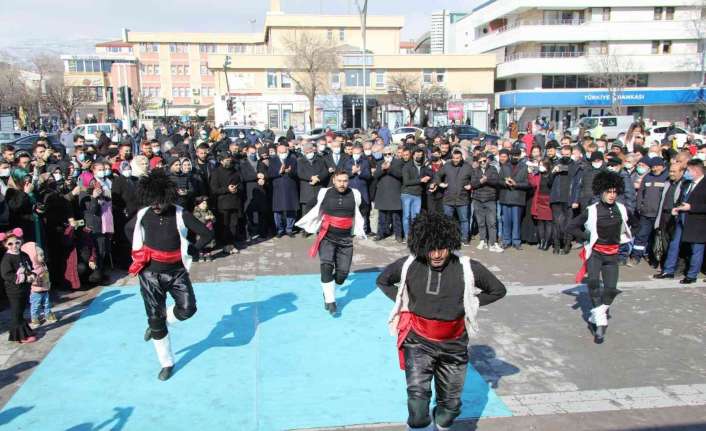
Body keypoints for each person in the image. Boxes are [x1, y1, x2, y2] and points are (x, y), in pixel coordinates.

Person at [376, 211, 506, 430]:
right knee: (417, 412)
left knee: (450, 410)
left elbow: (497, 290)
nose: (436, 254)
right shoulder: (410, 264)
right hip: (417, 343)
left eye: (442, 248)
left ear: (450, 244)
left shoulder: (467, 267)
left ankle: (440, 419)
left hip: (454, 346)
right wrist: (405, 303)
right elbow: (383, 280)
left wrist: (470, 303)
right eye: (430, 249)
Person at [126, 170, 214, 380]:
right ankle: (166, 362)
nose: (156, 206)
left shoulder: (180, 214)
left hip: (176, 272)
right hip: (149, 275)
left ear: (168, 197)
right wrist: (140, 249)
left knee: (188, 309)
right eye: (152, 201)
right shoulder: (143, 214)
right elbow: (129, 230)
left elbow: (207, 233)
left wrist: (195, 248)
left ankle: (162, 321)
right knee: (154, 319)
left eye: (160, 201)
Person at [568, 171, 632, 344]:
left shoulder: (622, 209)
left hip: (613, 256)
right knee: (594, 286)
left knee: (611, 289)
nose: (612, 195)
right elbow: (571, 227)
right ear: (601, 192)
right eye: (608, 192)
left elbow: (636, 225)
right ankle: (600, 324)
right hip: (596, 254)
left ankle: (597, 314)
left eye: (614, 192)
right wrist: (586, 237)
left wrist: (626, 239)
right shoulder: (592, 210)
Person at [295, 170, 366, 316]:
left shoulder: (355, 194)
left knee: (342, 275)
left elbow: (364, 208)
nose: (342, 184)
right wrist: (315, 224)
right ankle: (330, 298)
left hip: (346, 239)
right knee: (326, 266)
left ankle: (329, 286)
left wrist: (357, 225)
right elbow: (310, 206)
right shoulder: (324, 193)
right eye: (339, 181)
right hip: (327, 235)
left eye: (345, 181)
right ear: (334, 180)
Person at [670, 159, 706, 284]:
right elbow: (683, 199)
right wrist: (678, 208)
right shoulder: (688, 183)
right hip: (684, 218)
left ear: (696, 171)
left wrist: (691, 208)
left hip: (699, 222)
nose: (687, 173)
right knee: (681, 246)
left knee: (697, 249)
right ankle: (670, 270)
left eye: (689, 170)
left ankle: (692, 275)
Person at [0, 228, 37, 343]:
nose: (14, 246)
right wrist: (23, 277)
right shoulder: (7, 258)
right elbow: (6, 274)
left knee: (20, 311)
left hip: (24, 288)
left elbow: (29, 267)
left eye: (17, 242)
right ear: (5, 245)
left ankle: (23, 332)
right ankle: (19, 336)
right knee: (16, 312)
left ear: (21, 241)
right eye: (10, 244)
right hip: (13, 290)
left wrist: (32, 275)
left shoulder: (23, 254)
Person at [21, 241, 56, 326]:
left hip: (45, 289)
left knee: (47, 304)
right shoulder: (31, 269)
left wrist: (48, 283)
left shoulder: (43, 265)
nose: (43, 256)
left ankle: (48, 315)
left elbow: (47, 275)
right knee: (35, 305)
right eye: (40, 255)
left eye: (43, 254)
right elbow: (31, 279)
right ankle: (35, 318)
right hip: (36, 291)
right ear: (33, 257)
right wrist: (36, 279)